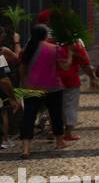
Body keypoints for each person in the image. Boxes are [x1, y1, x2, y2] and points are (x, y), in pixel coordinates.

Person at [18, 25, 67, 159]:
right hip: (53, 87)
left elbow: (22, 68)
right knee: (55, 114)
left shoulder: (27, 49)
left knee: (29, 116)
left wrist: (25, 84)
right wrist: (71, 54)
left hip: (32, 87)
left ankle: (26, 149)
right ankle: (59, 141)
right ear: (45, 35)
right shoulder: (54, 48)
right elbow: (64, 66)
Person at [55, 32, 93, 144]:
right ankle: (68, 133)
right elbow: (85, 63)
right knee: (70, 105)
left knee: (56, 106)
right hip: (71, 79)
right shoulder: (76, 45)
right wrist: (92, 77)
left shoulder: (52, 45)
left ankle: (54, 132)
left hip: (54, 79)